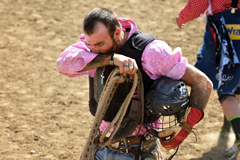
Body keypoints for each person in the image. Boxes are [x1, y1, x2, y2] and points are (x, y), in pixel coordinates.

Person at [57, 7, 212, 160]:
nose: (93, 50)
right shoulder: (92, 45)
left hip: (138, 151)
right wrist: (112, 59)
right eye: (90, 45)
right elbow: (63, 64)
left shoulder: (152, 52)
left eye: (99, 44)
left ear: (117, 32)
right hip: (101, 145)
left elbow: (202, 83)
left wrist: (185, 128)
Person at [176, 0, 240, 159]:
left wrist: (181, 18)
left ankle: (239, 135)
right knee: (235, 80)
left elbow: (199, 4)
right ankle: (227, 128)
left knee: (225, 90)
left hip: (223, 29)